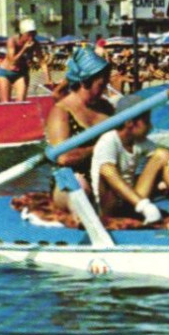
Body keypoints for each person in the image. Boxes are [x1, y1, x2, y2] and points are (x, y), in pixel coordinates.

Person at [90, 91, 169, 226]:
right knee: (107, 169)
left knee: (162, 154)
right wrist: (143, 205)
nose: (151, 126)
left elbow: (163, 157)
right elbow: (106, 171)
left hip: (130, 201)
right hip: (109, 204)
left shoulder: (138, 141)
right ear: (130, 123)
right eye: (146, 120)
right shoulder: (109, 140)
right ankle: (144, 207)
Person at [43, 46, 116, 212]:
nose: (105, 86)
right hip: (73, 180)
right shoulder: (61, 112)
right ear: (85, 82)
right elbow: (64, 158)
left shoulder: (106, 107)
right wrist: (103, 146)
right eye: (101, 82)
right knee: (81, 190)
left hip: (106, 176)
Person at [0, 18, 48, 103]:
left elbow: (42, 61)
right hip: (6, 72)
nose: (31, 38)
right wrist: (24, 49)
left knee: (21, 103)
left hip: (21, 73)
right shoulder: (12, 41)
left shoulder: (35, 44)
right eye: (29, 35)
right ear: (22, 34)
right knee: (5, 103)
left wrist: (48, 79)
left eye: (33, 35)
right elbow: (13, 61)